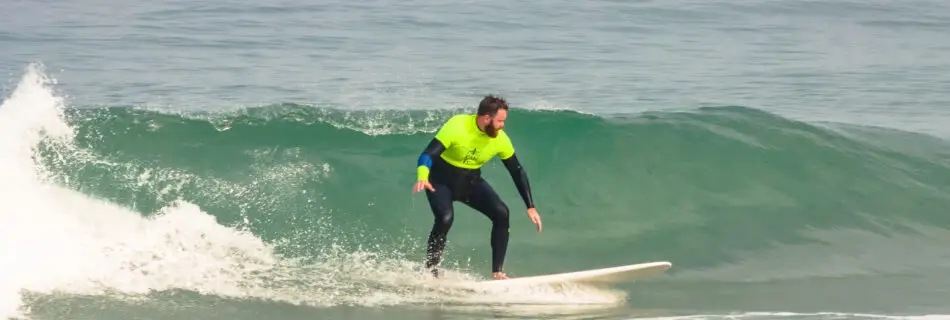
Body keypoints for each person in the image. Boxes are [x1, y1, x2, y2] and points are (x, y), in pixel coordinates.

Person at [412, 95, 542, 280]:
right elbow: (428, 154)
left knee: (501, 213)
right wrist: (423, 176)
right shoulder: (458, 126)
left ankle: (497, 272)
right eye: (500, 121)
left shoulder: (499, 139)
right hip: (439, 180)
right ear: (486, 118)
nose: (502, 125)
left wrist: (530, 206)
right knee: (445, 218)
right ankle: (431, 271)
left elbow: (517, 170)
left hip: (470, 182)